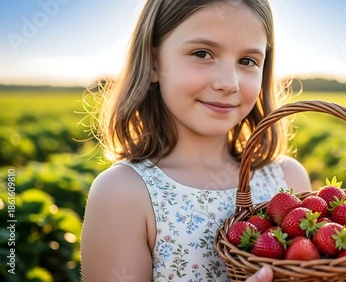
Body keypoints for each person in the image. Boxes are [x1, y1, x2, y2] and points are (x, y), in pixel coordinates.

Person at [80, 0, 312, 281]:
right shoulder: (123, 194)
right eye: (202, 53)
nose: (229, 83)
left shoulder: (287, 179)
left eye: (247, 61)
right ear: (154, 63)